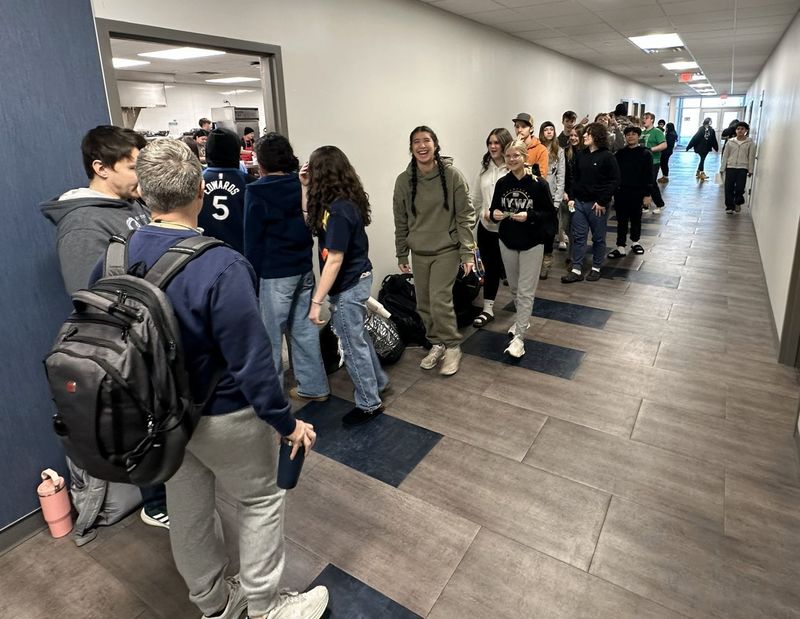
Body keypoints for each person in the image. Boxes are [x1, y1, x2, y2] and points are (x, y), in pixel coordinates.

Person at [93, 138, 328, 619]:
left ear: (143, 193)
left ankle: (215, 604)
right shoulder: (221, 264)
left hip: (158, 415)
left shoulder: (114, 257)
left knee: (188, 507)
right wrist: (288, 425)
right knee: (261, 499)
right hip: (224, 413)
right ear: (200, 191)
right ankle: (265, 607)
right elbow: (254, 364)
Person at [40, 126, 171, 532]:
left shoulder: (133, 205)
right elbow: (90, 295)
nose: (142, 177)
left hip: (154, 333)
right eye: (134, 167)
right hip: (126, 343)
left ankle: (173, 489)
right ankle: (156, 503)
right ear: (101, 167)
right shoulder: (82, 224)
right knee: (145, 422)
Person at [304, 145, 388, 425]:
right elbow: (312, 221)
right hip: (356, 279)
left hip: (350, 284)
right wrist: (305, 187)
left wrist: (317, 301)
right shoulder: (335, 203)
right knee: (358, 339)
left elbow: (335, 259)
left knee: (352, 345)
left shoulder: (339, 210)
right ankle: (378, 382)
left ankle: (369, 403)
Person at [244, 132, 330, 403]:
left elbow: (253, 239)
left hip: (274, 273)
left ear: (262, 162)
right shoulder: (301, 183)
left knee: (269, 338)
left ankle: (272, 400)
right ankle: (315, 387)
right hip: (303, 267)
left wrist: (251, 276)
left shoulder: (256, 190)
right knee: (304, 330)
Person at [393, 126, 476, 376]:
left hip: (446, 249)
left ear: (436, 144)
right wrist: (401, 253)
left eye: (426, 140)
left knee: (440, 299)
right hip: (419, 251)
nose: (422, 145)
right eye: (416, 142)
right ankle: (437, 343)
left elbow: (465, 216)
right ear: (411, 148)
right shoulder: (404, 181)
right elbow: (401, 220)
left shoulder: (452, 176)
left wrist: (467, 253)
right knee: (424, 303)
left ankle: (452, 347)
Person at [489, 139, 556, 358]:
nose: (511, 159)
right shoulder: (502, 183)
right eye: (508, 156)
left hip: (532, 244)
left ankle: (519, 338)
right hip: (507, 242)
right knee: (515, 289)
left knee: (526, 292)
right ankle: (522, 322)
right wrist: (493, 214)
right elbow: (494, 209)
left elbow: (549, 216)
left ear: (525, 157)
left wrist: (530, 216)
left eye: (515, 155)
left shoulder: (538, 184)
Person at [561, 122, 620, 284]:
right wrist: (572, 197)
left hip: (597, 205)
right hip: (580, 203)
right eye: (585, 133)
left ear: (597, 136)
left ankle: (596, 267)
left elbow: (614, 181)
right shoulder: (581, 154)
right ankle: (577, 269)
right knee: (579, 237)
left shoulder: (607, 157)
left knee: (598, 238)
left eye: (588, 133)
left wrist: (602, 201)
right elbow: (575, 179)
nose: (584, 136)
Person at [471, 128, 512, 328]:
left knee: (513, 270)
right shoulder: (484, 168)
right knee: (490, 269)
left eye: (497, 143)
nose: (493, 146)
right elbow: (477, 199)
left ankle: (522, 309)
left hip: (509, 230)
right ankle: (488, 309)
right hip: (486, 229)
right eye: (490, 143)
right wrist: (472, 222)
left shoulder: (513, 167)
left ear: (505, 144)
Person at [199, 128, 252, 254]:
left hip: (205, 252)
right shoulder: (248, 183)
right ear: (234, 151)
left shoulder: (197, 182)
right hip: (240, 253)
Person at [608, 126, 652, 258]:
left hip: (638, 192)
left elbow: (649, 175)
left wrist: (647, 194)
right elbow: (615, 175)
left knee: (636, 218)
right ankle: (620, 246)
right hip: (622, 192)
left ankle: (635, 242)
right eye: (628, 135)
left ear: (638, 136)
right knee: (621, 219)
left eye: (634, 134)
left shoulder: (645, 153)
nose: (631, 137)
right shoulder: (620, 154)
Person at [537, 121, 565, 279]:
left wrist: (557, 200)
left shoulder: (558, 151)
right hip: (537, 195)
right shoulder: (537, 149)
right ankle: (535, 261)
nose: (548, 132)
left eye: (551, 129)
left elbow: (561, 176)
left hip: (551, 196)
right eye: (545, 129)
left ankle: (546, 263)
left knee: (548, 232)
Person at [720, 121, 756, 214]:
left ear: (746, 131)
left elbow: (751, 157)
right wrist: (722, 168)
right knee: (729, 188)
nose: (740, 130)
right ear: (735, 130)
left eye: (742, 129)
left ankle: (737, 202)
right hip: (730, 166)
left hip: (742, 168)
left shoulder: (750, 142)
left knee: (740, 188)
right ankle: (729, 206)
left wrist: (750, 169)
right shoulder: (730, 142)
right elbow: (725, 155)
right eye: (738, 129)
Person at [560, 124, 586, 252]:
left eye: (576, 135)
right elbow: (563, 174)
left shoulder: (587, 153)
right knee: (567, 226)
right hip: (567, 195)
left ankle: (575, 256)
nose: (573, 138)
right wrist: (564, 191)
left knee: (578, 228)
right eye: (571, 135)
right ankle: (573, 252)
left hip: (581, 196)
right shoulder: (565, 152)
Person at [639, 112, 667, 213]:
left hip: (654, 161)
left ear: (652, 120)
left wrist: (650, 150)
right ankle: (646, 205)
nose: (644, 120)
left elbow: (664, 145)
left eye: (646, 118)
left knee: (651, 183)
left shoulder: (657, 132)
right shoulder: (642, 133)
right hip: (643, 162)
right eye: (643, 118)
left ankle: (659, 204)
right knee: (645, 183)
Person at [512, 113, 548, 178]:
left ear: (531, 129)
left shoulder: (541, 149)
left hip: (533, 186)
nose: (519, 130)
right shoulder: (511, 148)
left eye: (523, 126)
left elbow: (542, 177)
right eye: (517, 127)